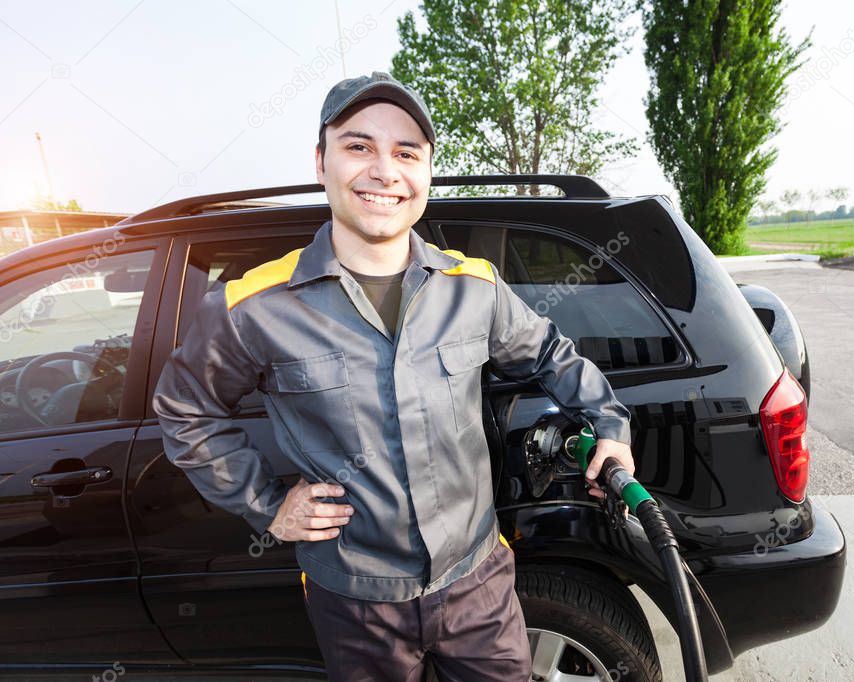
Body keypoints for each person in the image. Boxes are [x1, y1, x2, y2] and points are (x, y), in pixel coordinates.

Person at [152, 71, 635, 682]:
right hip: (355, 603)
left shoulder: (473, 286)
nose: (385, 171)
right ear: (321, 159)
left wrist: (609, 423)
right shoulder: (253, 306)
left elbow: (550, 355)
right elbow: (186, 409)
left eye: (406, 152)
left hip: (477, 581)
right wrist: (268, 505)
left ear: (426, 171)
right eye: (359, 147)